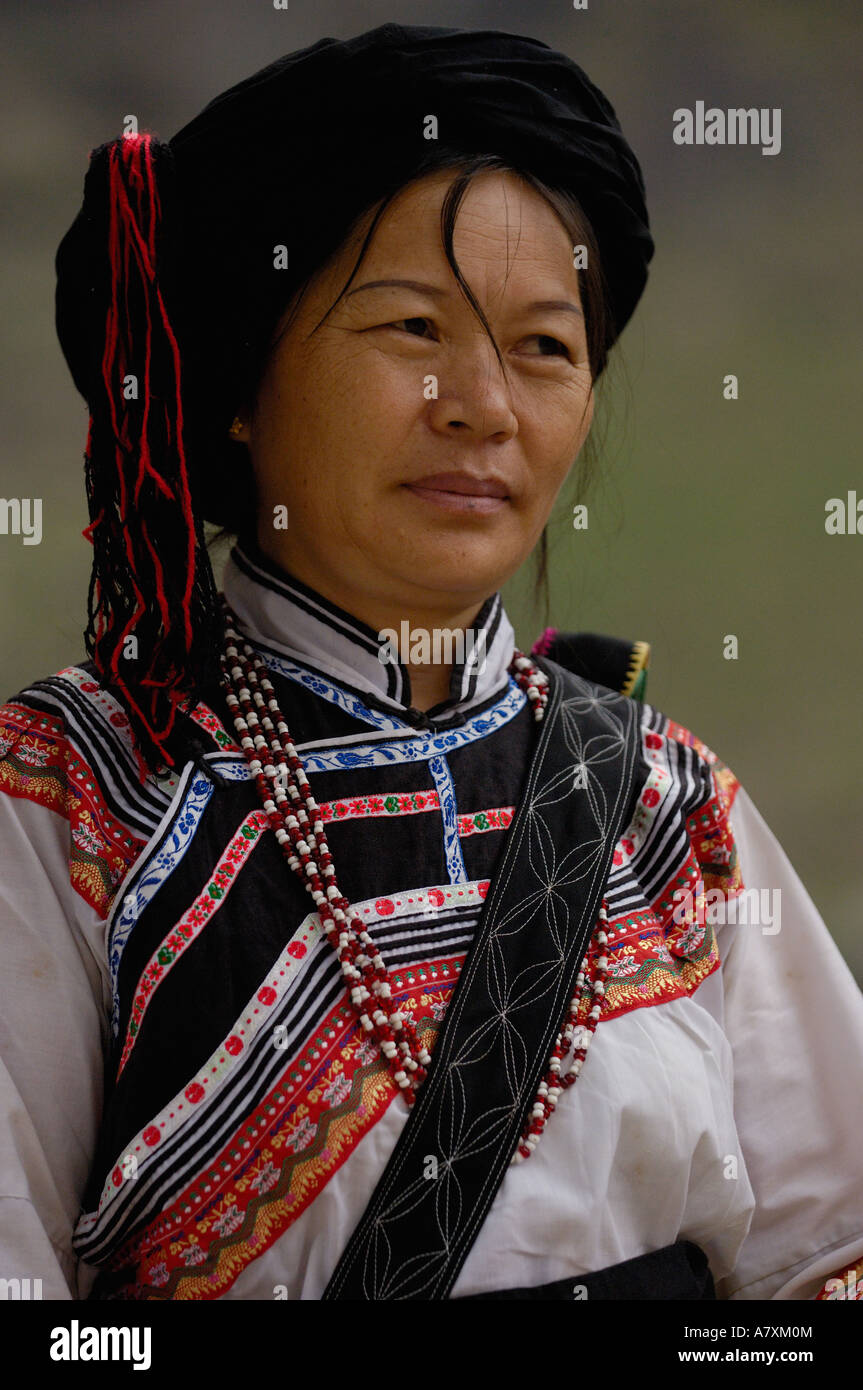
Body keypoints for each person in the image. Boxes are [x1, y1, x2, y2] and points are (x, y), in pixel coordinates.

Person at [1, 22, 862, 1303]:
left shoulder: (659, 804)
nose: (483, 405)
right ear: (240, 377)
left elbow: (826, 1250)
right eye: (411, 326)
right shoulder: (77, 799)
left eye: (544, 348)